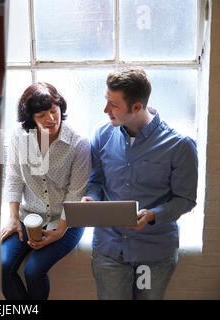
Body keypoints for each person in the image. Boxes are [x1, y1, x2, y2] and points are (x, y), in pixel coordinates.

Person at [82, 67, 198, 300]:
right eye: (106, 101)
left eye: (113, 105)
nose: (106, 110)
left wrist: (152, 215)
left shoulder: (179, 145)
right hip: (110, 250)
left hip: (154, 253)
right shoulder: (101, 134)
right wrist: (91, 198)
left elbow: (186, 200)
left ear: (136, 107)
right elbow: (95, 181)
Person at [1, 82, 91, 300]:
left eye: (54, 110)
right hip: (27, 216)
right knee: (2, 266)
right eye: (41, 115)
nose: (51, 119)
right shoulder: (18, 137)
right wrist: (13, 218)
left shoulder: (78, 143)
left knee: (33, 271)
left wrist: (59, 232)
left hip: (66, 220)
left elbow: (76, 193)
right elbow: (13, 177)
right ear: (30, 117)